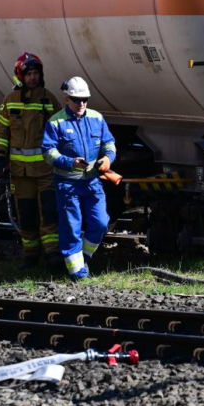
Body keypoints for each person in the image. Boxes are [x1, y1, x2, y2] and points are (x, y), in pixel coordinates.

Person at [42, 76, 117, 280]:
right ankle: (77, 273)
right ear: (67, 99)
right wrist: (70, 162)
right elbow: (48, 152)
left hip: (92, 182)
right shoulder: (56, 122)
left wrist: (108, 159)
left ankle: (84, 256)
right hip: (68, 184)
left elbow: (109, 143)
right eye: (77, 100)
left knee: (101, 222)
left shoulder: (96, 118)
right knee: (71, 227)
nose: (82, 104)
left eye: (85, 99)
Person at [0, 52, 62, 271]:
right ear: (20, 76)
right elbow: (2, 131)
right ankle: (31, 256)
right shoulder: (10, 100)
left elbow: (61, 131)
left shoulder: (49, 99)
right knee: (26, 215)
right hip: (20, 172)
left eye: (36, 74)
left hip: (45, 171)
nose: (33, 78)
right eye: (29, 74)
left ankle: (53, 256)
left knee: (49, 214)